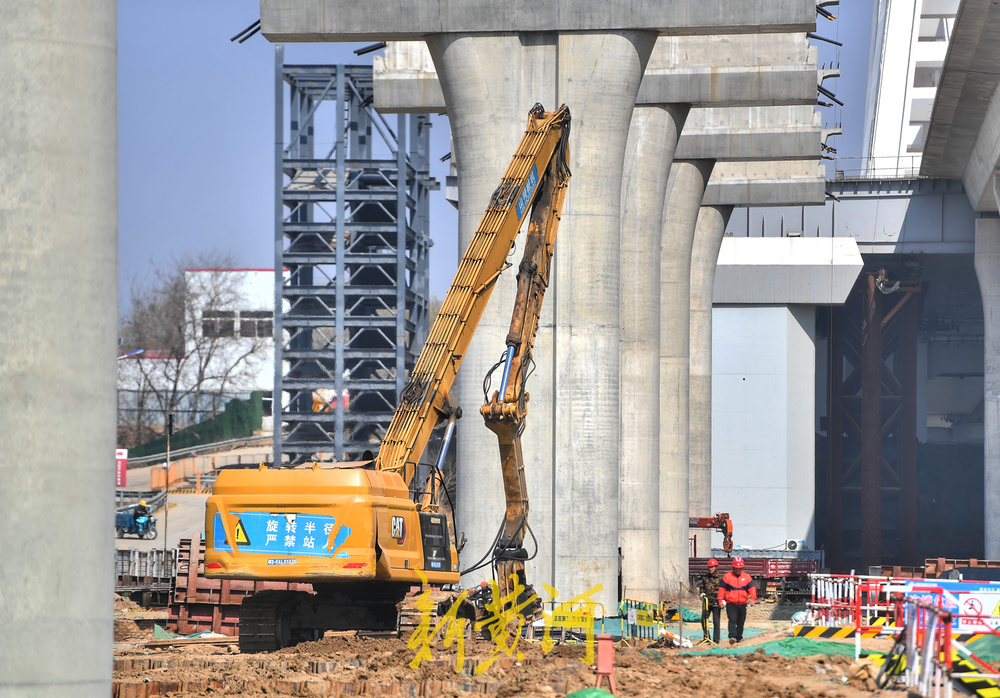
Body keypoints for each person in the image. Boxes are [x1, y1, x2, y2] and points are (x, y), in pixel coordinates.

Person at [718, 556, 756, 645]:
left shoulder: (747, 577)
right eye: (736, 568)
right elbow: (722, 589)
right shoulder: (727, 577)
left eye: (740, 568)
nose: (738, 570)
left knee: (740, 621)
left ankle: (739, 637)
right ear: (733, 567)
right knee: (732, 619)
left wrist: (753, 599)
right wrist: (720, 600)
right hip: (731, 603)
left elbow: (752, 589)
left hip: (742, 603)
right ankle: (732, 637)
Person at [697, 558, 723, 644]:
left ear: (716, 567)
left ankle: (716, 640)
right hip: (707, 603)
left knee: (716, 622)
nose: (710, 569)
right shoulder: (705, 577)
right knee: (704, 620)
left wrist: (723, 599)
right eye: (709, 567)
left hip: (716, 603)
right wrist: (702, 593)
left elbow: (724, 589)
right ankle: (706, 637)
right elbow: (702, 587)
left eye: (712, 567)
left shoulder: (720, 578)